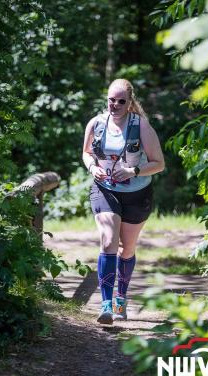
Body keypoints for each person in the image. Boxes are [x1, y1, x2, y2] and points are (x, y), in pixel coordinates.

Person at [82, 78, 165, 325]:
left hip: (137, 194)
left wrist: (133, 171)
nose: (114, 105)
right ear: (106, 99)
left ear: (130, 103)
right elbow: (86, 153)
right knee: (108, 239)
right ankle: (106, 305)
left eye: (121, 101)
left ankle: (121, 298)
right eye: (111, 100)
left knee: (126, 249)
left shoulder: (141, 126)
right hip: (104, 189)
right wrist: (92, 167)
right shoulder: (96, 124)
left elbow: (159, 163)